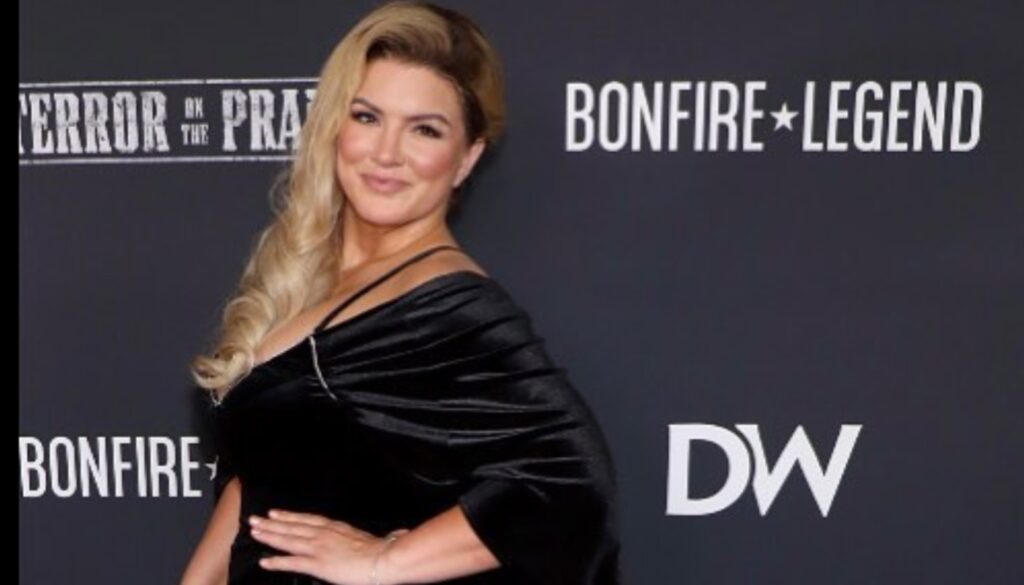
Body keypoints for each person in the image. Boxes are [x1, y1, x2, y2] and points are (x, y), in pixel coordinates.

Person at [179, 2, 621, 584]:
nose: (386, 153)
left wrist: (382, 562)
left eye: (424, 130)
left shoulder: (446, 306)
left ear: (466, 158)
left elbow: (571, 484)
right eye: (367, 117)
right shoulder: (317, 280)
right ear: (334, 125)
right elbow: (262, 478)